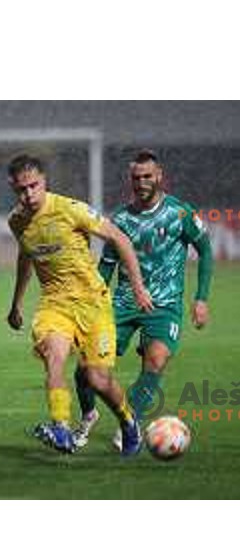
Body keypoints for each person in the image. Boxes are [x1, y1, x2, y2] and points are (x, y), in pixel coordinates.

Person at [6, 154, 152, 455]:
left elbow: (120, 239)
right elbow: (25, 258)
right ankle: (60, 427)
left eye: (34, 186)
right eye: (22, 189)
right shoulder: (17, 221)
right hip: (54, 304)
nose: (29, 194)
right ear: (13, 188)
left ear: (44, 181)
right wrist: (16, 303)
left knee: (97, 379)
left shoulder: (71, 209)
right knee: (53, 356)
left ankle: (127, 420)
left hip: (92, 304)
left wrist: (138, 286)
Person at [73, 149, 213, 450]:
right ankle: (88, 415)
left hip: (165, 305)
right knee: (86, 368)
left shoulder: (180, 213)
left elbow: (206, 251)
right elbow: (107, 265)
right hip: (122, 303)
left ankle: (129, 423)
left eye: (147, 176)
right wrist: (91, 301)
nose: (142, 182)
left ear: (159, 176)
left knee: (156, 360)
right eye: (136, 177)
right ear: (130, 180)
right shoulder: (120, 219)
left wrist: (201, 299)